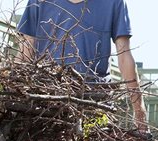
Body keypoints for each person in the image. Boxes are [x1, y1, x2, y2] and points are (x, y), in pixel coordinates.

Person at [16, 0, 147, 132]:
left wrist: (140, 111)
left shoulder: (113, 2)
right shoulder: (39, 1)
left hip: (94, 102)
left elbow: (124, 57)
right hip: (44, 101)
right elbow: (24, 55)